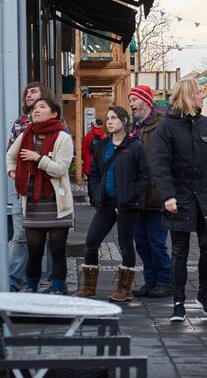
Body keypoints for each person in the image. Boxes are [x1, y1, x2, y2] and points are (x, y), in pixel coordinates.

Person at [151, 79, 207, 321]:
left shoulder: (206, 125)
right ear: (188, 95)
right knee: (180, 251)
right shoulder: (166, 128)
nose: (203, 96)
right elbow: (160, 166)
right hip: (180, 197)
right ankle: (178, 301)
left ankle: (204, 294)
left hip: (206, 195)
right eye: (199, 92)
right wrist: (168, 196)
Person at [75, 106, 150, 302]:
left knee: (126, 244)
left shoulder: (135, 146)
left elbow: (145, 177)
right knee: (91, 242)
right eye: (107, 118)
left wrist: (130, 195)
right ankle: (89, 287)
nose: (109, 121)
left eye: (114, 118)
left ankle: (125, 289)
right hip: (106, 204)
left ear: (124, 121)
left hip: (127, 205)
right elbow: (94, 173)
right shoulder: (102, 145)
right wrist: (95, 194)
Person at [6, 97, 74, 295]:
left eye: (42, 107)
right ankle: (32, 288)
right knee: (34, 251)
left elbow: (60, 170)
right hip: (33, 203)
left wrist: (38, 159)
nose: (36, 110)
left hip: (56, 204)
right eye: (35, 108)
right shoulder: (26, 135)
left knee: (57, 250)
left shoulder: (63, 138)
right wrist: (12, 172)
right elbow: (10, 156)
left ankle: (58, 290)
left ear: (54, 113)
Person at [128, 85, 173, 299]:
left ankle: (165, 281)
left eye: (134, 100)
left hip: (156, 194)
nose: (131, 104)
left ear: (146, 100)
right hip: (137, 195)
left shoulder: (162, 125)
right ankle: (150, 281)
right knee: (142, 242)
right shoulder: (132, 127)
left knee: (156, 241)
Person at [82, 118, 107, 205]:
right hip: (101, 162)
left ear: (93, 125)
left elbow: (83, 149)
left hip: (90, 161)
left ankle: (92, 199)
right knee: (100, 180)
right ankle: (99, 198)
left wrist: (83, 158)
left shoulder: (89, 135)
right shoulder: (104, 135)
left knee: (90, 181)